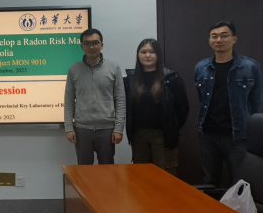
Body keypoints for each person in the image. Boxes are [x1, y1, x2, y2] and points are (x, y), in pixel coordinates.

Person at [195, 21, 263, 186]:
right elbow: (202, 98)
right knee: (209, 181)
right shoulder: (201, 67)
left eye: (224, 35)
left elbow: (256, 102)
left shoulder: (250, 67)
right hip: (208, 134)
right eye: (214, 36)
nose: (219, 40)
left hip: (238, 136)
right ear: (209, 40)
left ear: (234, 39)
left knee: (241, 182)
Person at [124, 39, 189, 176]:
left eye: (152, 52)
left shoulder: (172, 78)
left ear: (158, 55)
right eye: (143, 52)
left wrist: (172, 127)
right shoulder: (130, 80)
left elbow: (183, 108)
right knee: (141, 175)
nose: (147, 55)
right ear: (138, 55)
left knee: (165, 175)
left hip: (163, 136)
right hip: (138, 135)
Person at [64, 28, 126, 165]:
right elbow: (68, 100)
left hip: (107, 129)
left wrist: (119, 128)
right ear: (82, 46)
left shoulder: (113, 68)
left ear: (101, 45)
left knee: (107, 169)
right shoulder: (74, 69)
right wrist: (68, 127)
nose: (91, 47)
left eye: (95, 43)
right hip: (82, 129)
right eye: (87, 43)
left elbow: (120, 100)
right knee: (84, 170)